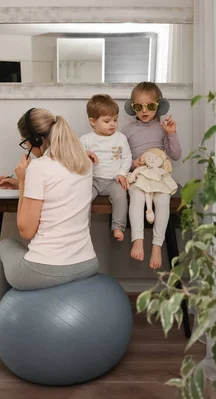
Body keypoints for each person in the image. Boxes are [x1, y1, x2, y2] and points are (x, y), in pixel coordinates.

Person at [0, 108, 99, 338]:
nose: (27, 149)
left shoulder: (39, 168)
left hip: (46, 270)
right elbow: (58, 188)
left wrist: (24, 181)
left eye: (25, 143)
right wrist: (22, 183)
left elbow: (26, 230)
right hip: (87, 263)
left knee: (3, 246)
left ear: (36, 139)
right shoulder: (84, 163)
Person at [121, 82, 182, 269]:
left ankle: (157, 244)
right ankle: (137, 239)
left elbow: (176, 155)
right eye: (139, 107)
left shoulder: (163, 129)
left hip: (160, 175)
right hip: (139, 175)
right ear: (132, 108)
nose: (144, 110)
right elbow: (122, 157)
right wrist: (133, 163)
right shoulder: (128, 130)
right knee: (136, 198)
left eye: (151, 106)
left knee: (163, 201)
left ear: (159, 106)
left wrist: (171, 134)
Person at [79, 94, 132, 241]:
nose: (113, 124)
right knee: (83, 198)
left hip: (113, 180)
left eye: (115, 119)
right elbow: (74, 156)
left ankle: (118, 227)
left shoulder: (120, 138)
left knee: (121, 197)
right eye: (107, 121)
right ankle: (84, 228)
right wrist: (85, 153)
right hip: (93, 180)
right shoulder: (86, 139)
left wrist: (122, 174)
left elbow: (127, 158)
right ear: (93, 122)